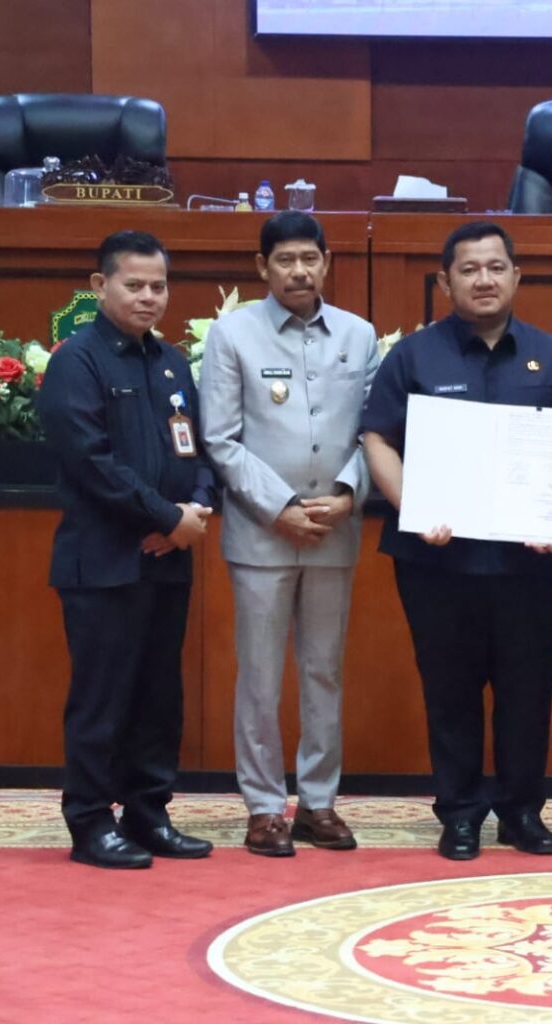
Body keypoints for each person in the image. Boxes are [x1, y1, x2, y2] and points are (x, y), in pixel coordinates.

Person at [360, 221, 552, 861]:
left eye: (495, 267)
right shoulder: (413, 357)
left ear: (516, 275)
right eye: (468, 269)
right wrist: (413, 506)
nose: (483, 280)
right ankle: (460, 813)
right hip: (437, 561)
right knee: (449, 691)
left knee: (528, 691)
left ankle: (522, 812)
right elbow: (377, 438)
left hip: (529, 565)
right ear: (445, 282)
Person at [200, 211, 382, 857]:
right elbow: (220, 438)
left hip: (334, 530)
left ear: (327, 262)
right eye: (285, 259)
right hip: (261, 535)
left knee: (323, 671)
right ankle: (262, 807)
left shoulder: (359, 335)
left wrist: (347, 492)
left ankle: (319, 803)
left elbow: (375, 432)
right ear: (262, 267)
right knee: (259, 675)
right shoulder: (232, 334)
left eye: (310, 258)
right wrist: (278, 507)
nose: (299, 271)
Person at [35, 230, 216, 869]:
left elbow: (197, 449)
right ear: (99, 286)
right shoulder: (76, 361)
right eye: (133, 285)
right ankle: (90, 820)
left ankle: (148, 812)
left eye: (158, 286)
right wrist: (166, 516)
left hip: (168, 558)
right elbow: (90, 461)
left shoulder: (170, 362)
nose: (148, 297)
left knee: (158, 697)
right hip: (102, 563)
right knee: (102, 699)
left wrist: (194, 510)